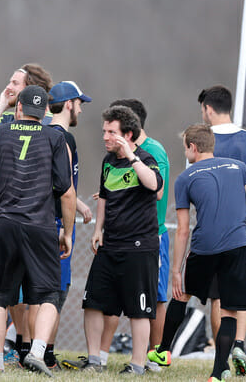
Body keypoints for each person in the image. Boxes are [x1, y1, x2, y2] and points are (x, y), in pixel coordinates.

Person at [147, 124, 246, 382]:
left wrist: (176, 271)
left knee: (181, 295)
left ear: (192, 147)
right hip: (238, 246)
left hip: (204, 248)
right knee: (229, 310)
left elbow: (182, 230)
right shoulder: (239, 167)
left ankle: (164, 350)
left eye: (185, 148)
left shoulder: (185, 178)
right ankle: (218, 373)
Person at [0, 84, 76, 376]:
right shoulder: (54, 137)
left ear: (18, 108)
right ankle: (37, 352)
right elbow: (64, 189)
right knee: (49, 296)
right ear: (45, 111)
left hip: (4, 223)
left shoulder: (0, 132)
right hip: (40, 225)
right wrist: (67, 232)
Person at [81, 105, 163, 375]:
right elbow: (104, 197)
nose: (105, 136)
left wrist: (132, 157)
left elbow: (154, 185)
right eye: (104, 131)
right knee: (92, 303)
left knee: (140, 311)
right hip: (110, 245)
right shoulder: (107, 162)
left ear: (127, 134)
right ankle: (94, 360)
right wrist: (98, 230)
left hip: (140, 248)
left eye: (111, 132)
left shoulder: (146, 158)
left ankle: (137, 365)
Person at [199, 85, 246, 375]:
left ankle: (222, 355)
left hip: (213, 231)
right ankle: (239, 342)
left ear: (207, 108)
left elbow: (195, 185)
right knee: (239, 294)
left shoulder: (202, 140)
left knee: (217, 298)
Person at [109, 98, 170, 370]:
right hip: (123, 238)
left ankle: (156, 354)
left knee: (154, 296)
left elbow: (157, 190)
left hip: (151, 234)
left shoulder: (152, 150)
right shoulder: (117, 156)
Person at [45, 80, 93, 370]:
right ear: (68, 104)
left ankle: (29, 349)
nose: (81, 110)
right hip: (55, 222)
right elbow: (64, 189)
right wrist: (66, 228)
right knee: (56, 292)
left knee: (37, 291)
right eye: (79, 104)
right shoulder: (64, 138)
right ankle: (45, 355)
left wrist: (80, 204)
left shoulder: (42, 132)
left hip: (37, 219)